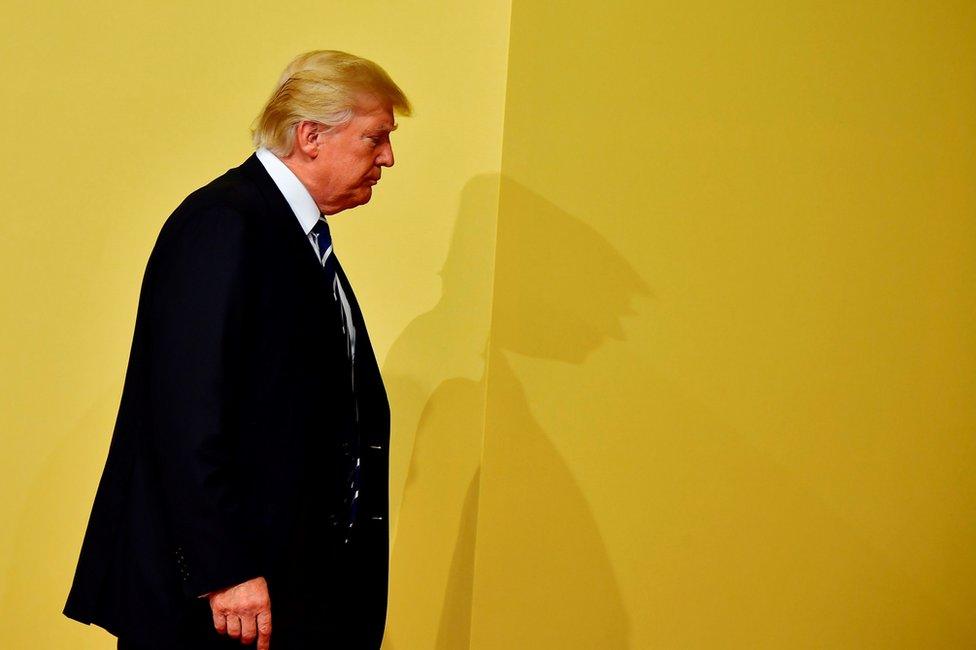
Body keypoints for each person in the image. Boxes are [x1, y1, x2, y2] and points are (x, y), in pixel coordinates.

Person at [63, 50, 411, 650]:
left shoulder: (286, 233)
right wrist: (223, 567)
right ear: (310, 136)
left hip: (293, 590)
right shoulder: (225, 224)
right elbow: (185, 411)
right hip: (225, 605)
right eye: (375, 137)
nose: (387, 157)